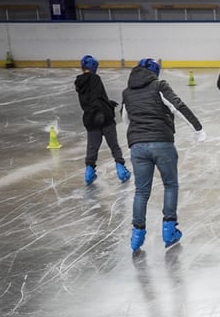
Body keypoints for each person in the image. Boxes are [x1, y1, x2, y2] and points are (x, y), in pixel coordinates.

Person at [122, 58, 205, 252]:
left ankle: (137, 236)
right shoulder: (158, 86)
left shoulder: (127, 92)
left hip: (138, 146)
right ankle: (169, 231)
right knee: (170, 185)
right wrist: (197, 128)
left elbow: (125, 119)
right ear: (154, 72)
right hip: (162, 143)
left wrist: (136, 139)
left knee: (141, 192)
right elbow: (178, 106)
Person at [74, 55, 131, 186]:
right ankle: (121, 171)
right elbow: (98, 96)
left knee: (92, 147)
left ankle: (89, 173)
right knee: (113, 145)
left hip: (90, 119)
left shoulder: (79, 81)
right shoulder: (95, 78)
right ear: (94, 67)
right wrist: (107, 106)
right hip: (104, 117)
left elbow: (90, 99)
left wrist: (107, 102)